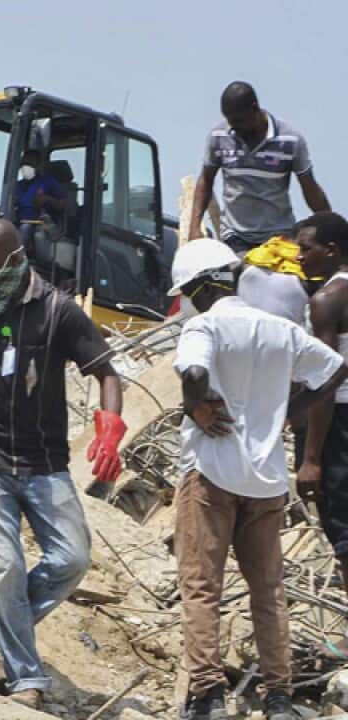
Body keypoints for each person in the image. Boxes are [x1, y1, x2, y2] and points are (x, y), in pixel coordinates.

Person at [0, 219, 126, 710]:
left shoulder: (58, 312)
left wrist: (110, 424)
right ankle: (25, 678)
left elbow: (106, 372)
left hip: (42, 461)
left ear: (16, 261)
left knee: (72, 559)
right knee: (5, 567)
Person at [170, 237, 344, 720]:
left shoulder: (204, 325)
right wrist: (292, 411)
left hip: (210, 476)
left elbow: (193, 371)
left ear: (201, 287)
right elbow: (334, 369)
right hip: (266, 481)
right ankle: (279, 697)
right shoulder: (278, 329)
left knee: (202, 587)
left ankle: (208, 695)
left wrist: (196, 405)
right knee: (268, 593)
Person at [189, 81, 330, 252]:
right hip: (236, 236)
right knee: (238, 274)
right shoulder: (219, 136)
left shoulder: (290, 140)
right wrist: (194, 227)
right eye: (229, 121)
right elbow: (206, 179)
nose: (234, 127)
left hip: (279, 236)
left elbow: (310, 188)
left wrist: (331, 228)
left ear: (253, 108)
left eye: (239, 121)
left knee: (286, 277)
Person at [293, 212, 348, 656]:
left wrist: (311, 457)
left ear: (330, 250)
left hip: (340, 425)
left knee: (342, 527)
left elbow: (326, 382)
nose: (298, 255)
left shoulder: (328, 299)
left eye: (306, 247)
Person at [13, 149, 68, 249]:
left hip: (42, 224)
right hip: (19, 221)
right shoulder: (17, 185)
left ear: (38, 165)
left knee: (25, 228)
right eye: (24, 163)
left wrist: (47, 199)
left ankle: (15, 259)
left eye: (30, 164)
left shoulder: (48, 182)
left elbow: (63, 205)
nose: (26, 167)